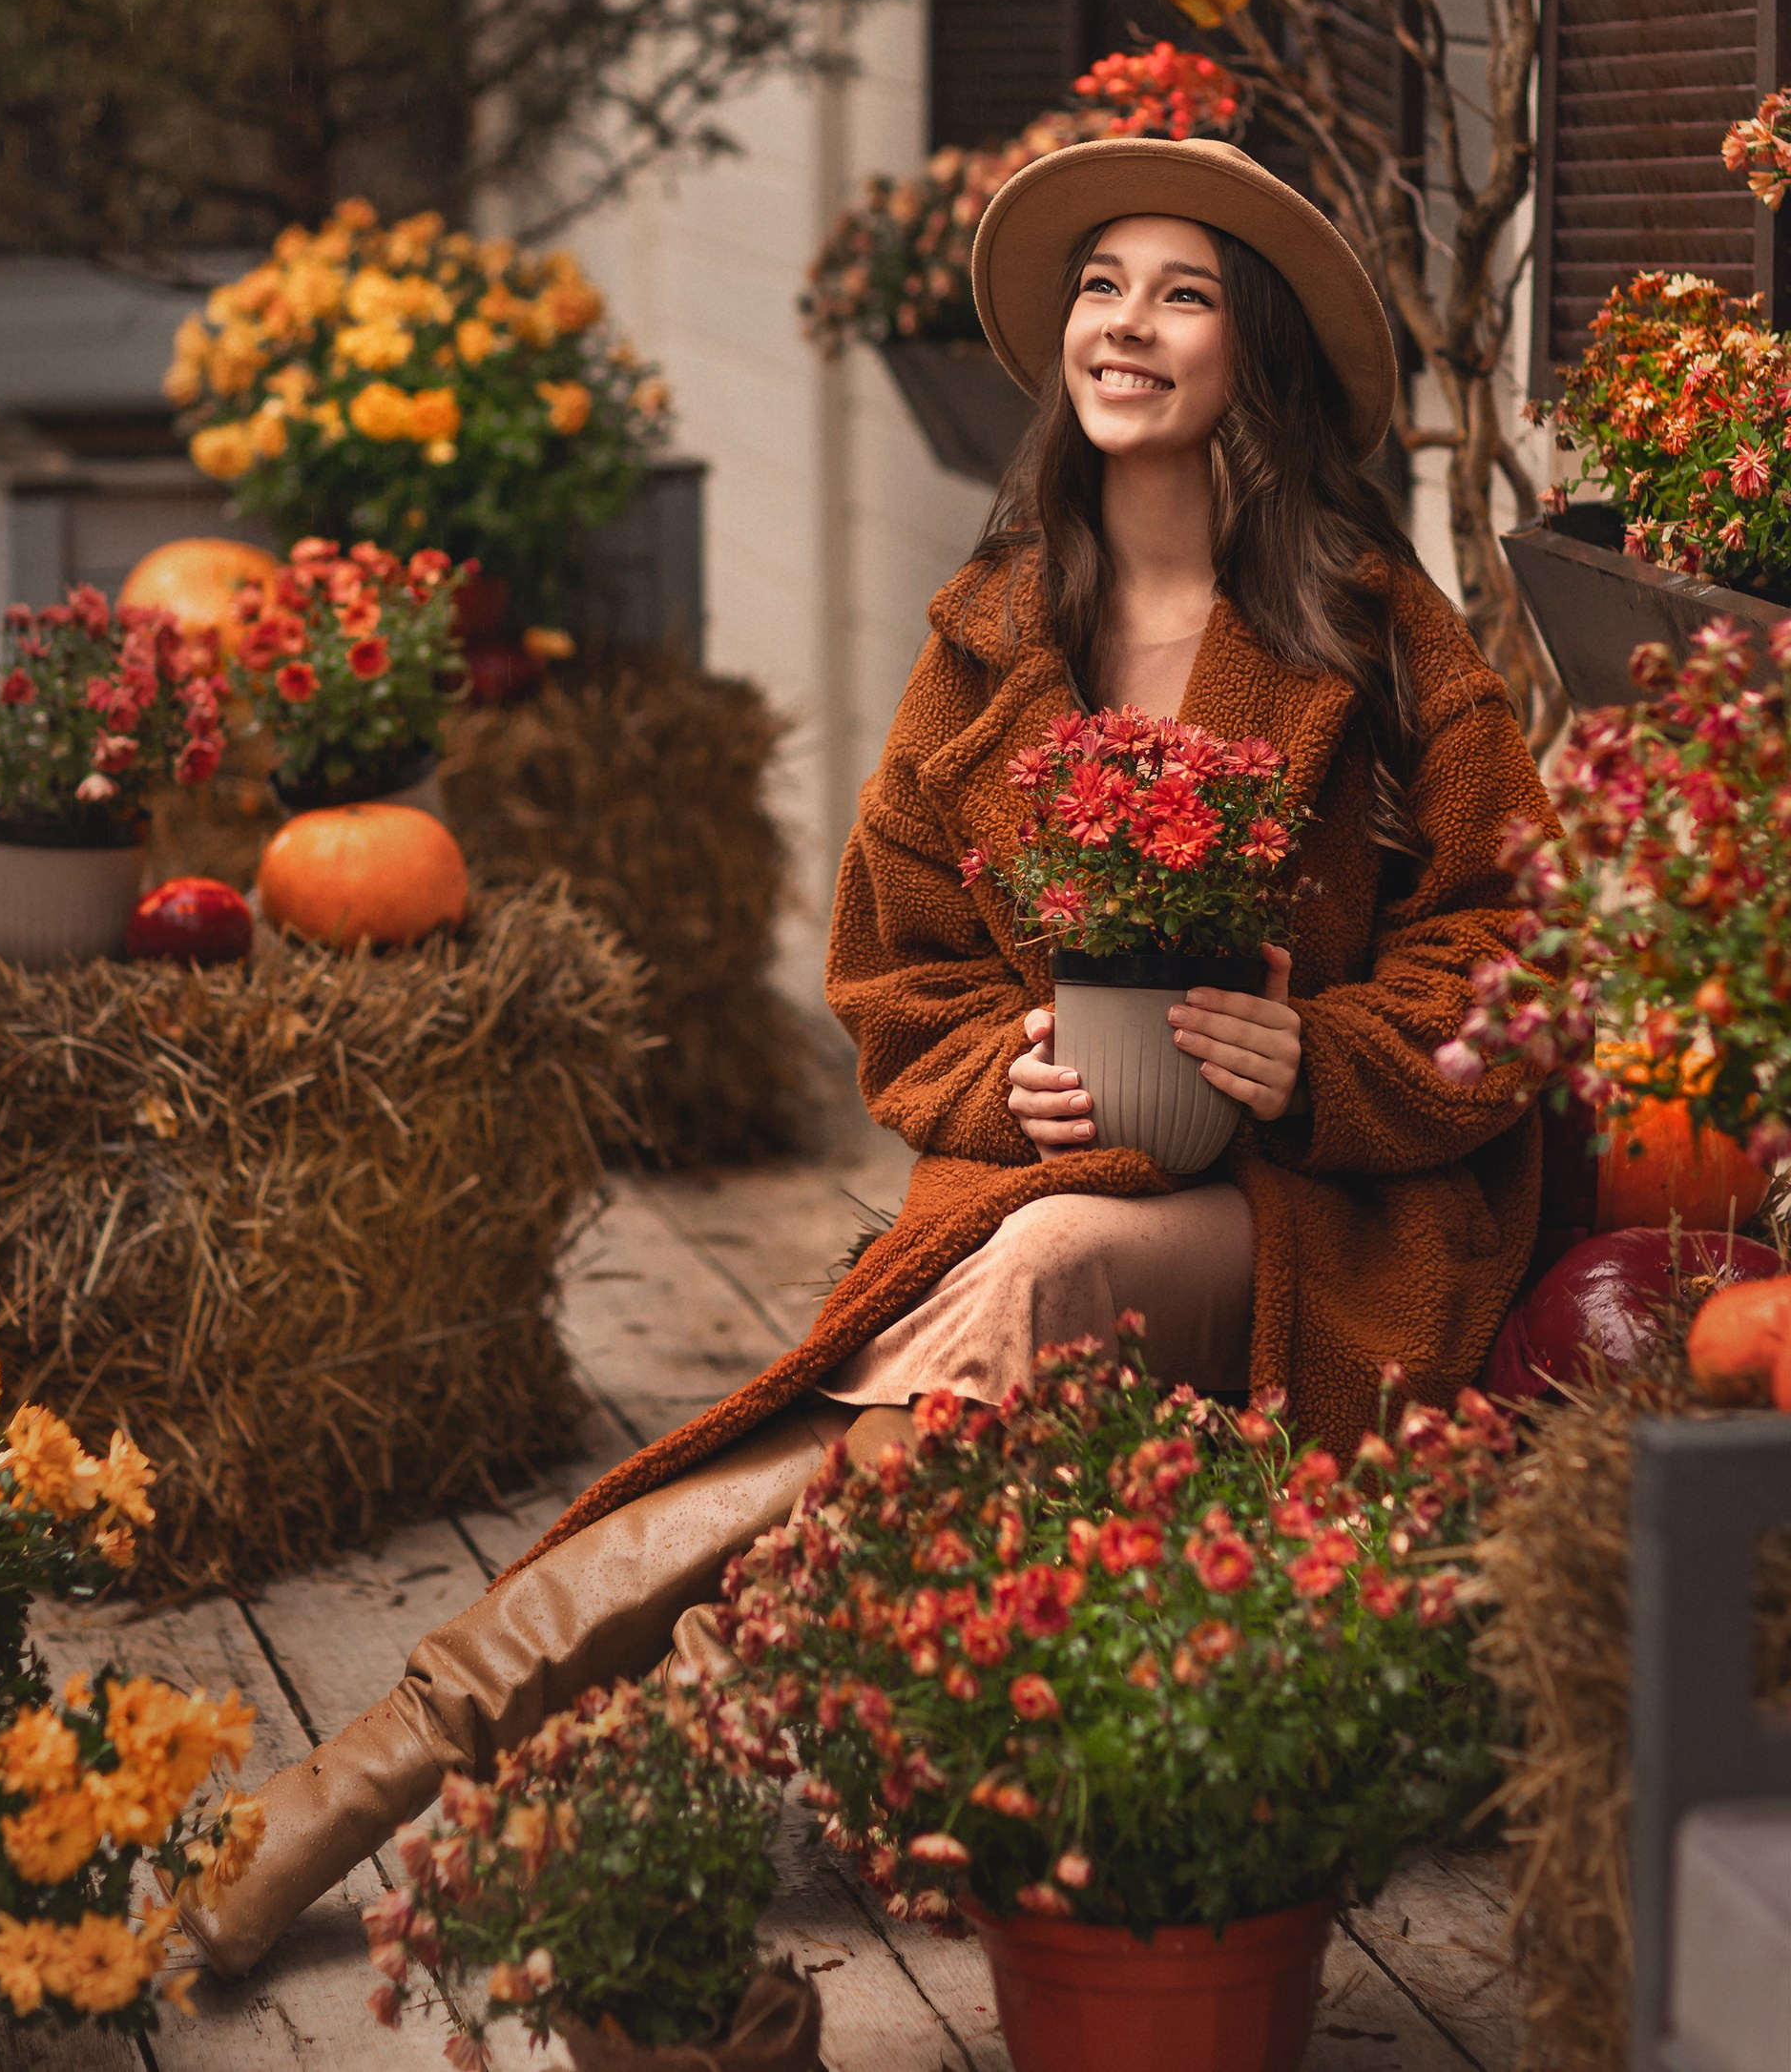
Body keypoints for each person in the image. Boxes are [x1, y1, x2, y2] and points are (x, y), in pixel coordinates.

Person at [183, 136, 1548, 1979]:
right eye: (1099, 283)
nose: (1123, 324)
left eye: (1182, 292)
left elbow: (1511, 952)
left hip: (1316, 1211)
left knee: (1034, 1278)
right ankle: (422, 1774)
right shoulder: (993, 637)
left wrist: (1317, 1056)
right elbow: (896, 971)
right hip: (1046, 1179)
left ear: (1261, 359)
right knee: (956, 1355)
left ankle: (400, 1774)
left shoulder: (1382, 641)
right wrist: (1010, 1085)